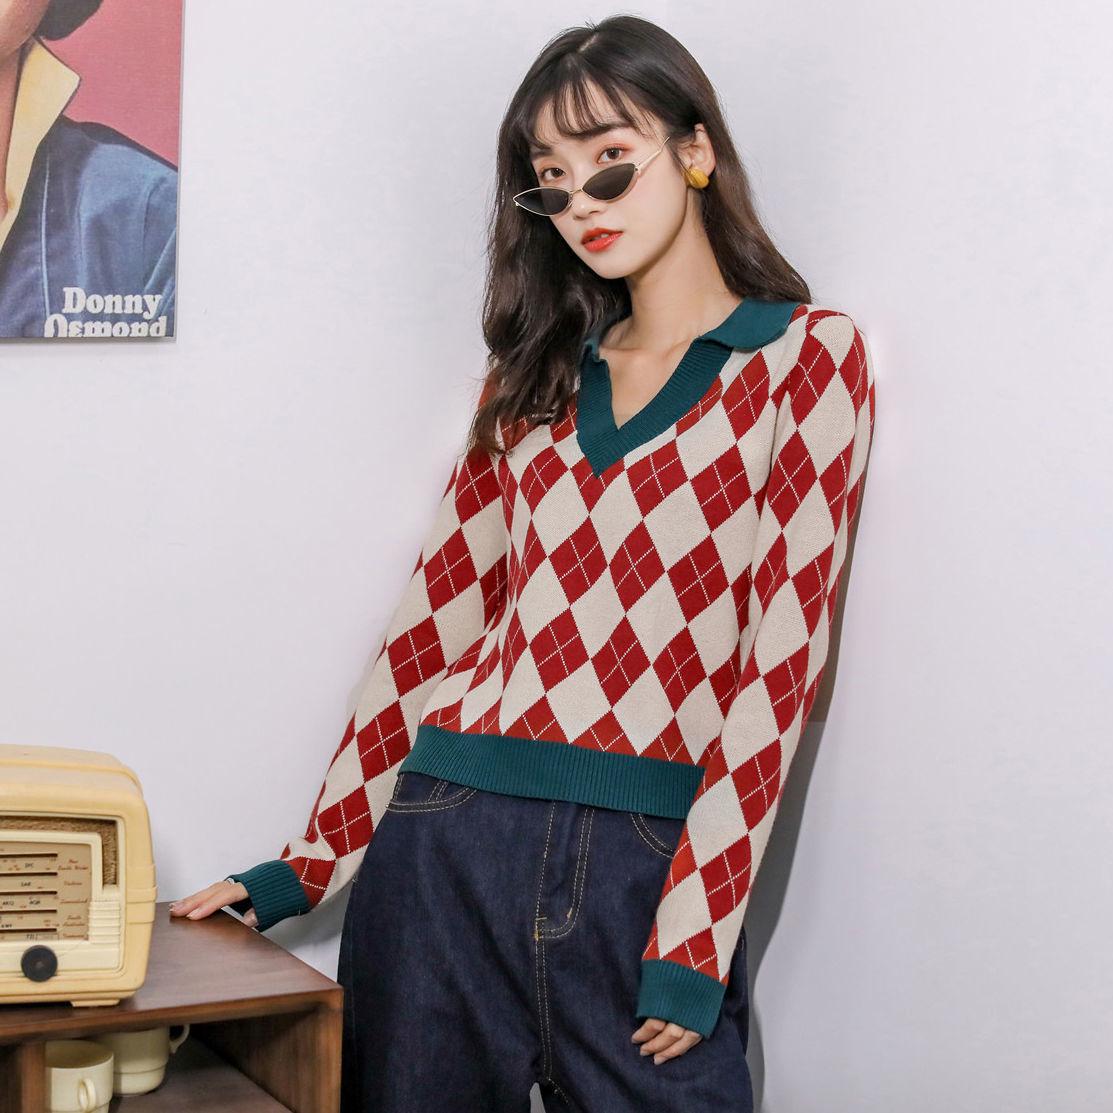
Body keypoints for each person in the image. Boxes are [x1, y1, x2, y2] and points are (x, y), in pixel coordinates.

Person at [171, 14, 877, 1111]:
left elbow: (776, 669)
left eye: (610, 161)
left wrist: (695, 933)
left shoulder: (802, 358)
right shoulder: (532, 379)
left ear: (695, 150)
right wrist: (308, 863)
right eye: (551, 179)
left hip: (649, 863)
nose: (582, 202)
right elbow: (433, 625)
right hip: (446, 842)